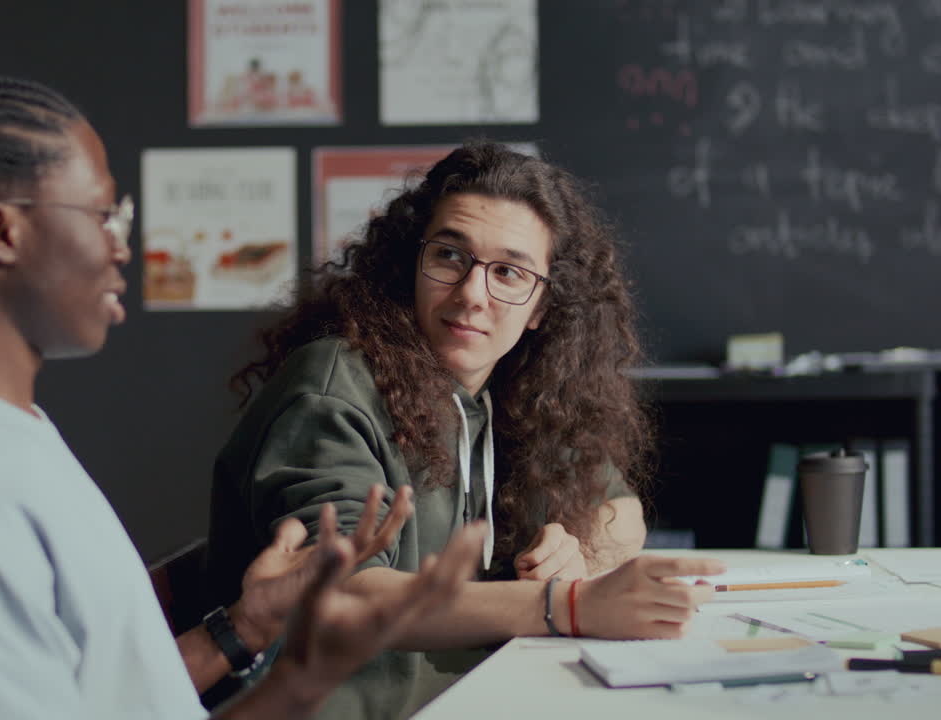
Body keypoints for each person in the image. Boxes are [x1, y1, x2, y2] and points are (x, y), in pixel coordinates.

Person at [0, 74, 486, 720]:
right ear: (1, 230)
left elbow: (100, 695)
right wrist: (304, 681)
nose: (122, 246)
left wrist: (247, 623)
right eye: (103, 214)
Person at [206, 140, 725, 718]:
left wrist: (574, 549)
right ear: (411, 264)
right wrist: (567, 605)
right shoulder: (332, 388)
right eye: (451, 256)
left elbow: (622, 513)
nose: (473, 295)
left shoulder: (508, 394)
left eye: (508, 272)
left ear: (541, 308)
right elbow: (342, 593)